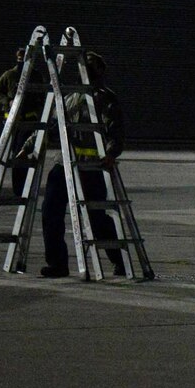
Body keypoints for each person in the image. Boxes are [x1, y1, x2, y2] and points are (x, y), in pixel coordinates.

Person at [41, 53, 128, 278]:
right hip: (65, 165)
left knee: (96, 219)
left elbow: (115, 132)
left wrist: (110, 153)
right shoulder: (70, 98)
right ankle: (58, 263)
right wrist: (31, 145)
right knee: (51, 212)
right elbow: (52, 126)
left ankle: (120, 259)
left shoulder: (105, 98)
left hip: (92, 167)